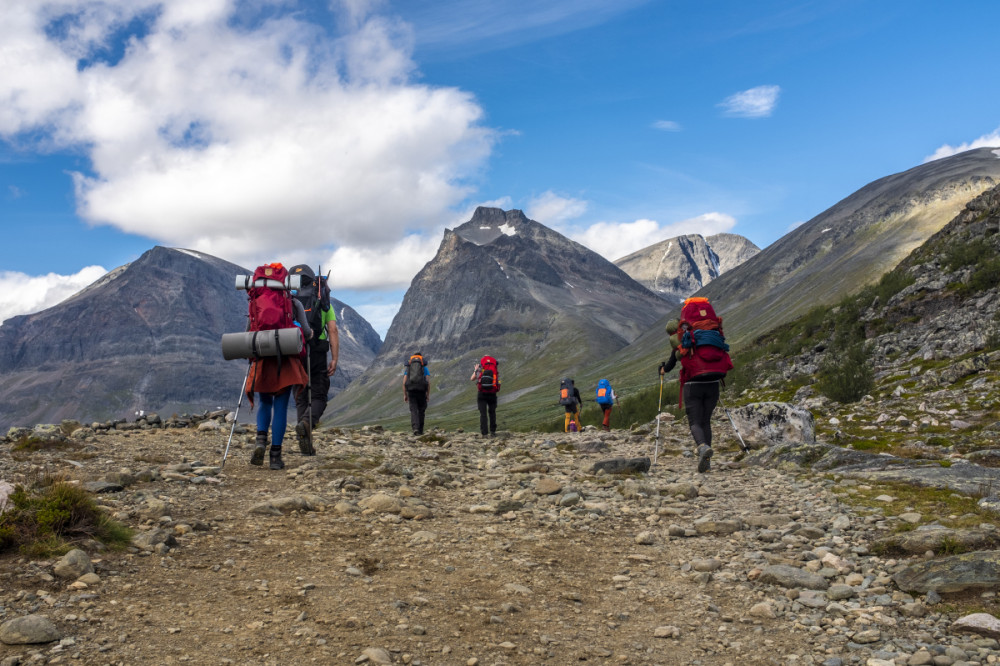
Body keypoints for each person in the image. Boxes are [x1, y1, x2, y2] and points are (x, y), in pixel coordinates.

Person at [659, 298, 733, 473]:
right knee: (706, 420)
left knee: (695, 422)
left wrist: (662, 369)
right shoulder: (713, 331)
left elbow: (670, 365)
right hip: (713, 381)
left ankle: (702, 448)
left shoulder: (683, 337)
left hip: (693, 383)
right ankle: (706, 456)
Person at [247, 272, 311, 471]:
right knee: (281, 405)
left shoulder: (255, 301)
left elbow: (249, 329)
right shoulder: (293, 303)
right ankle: (275, 456)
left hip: (263, 358)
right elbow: (306, 332)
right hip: (286, 359)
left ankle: (260, 441)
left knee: (265, 401)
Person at [289, 265, 340, 455]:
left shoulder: (290, 298)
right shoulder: (321, 297)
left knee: (301, 395)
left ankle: (305, 442)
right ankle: (306, 424)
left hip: (294, 348)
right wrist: (334, 358)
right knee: (319, 395)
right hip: (317, 350)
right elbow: (332, 330)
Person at [470, 356, 500, 437]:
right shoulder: (494, 369)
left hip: (482, 393)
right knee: (492, 412)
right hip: (492, 393)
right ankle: (493, 432)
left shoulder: (480, 369)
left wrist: (476, 369)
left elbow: (472, 378)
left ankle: (484, 433)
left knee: (483, 413)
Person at [402, 353, 430, 435]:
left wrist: (405, 395)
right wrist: (427, 395)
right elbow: (428, 383)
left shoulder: (408, 369)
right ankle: (420, 430)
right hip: (422, 391)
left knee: (413, 410)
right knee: (421, 410)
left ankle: (415, 429)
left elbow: (404, 382)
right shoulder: (424, 368)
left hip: (411, 391)